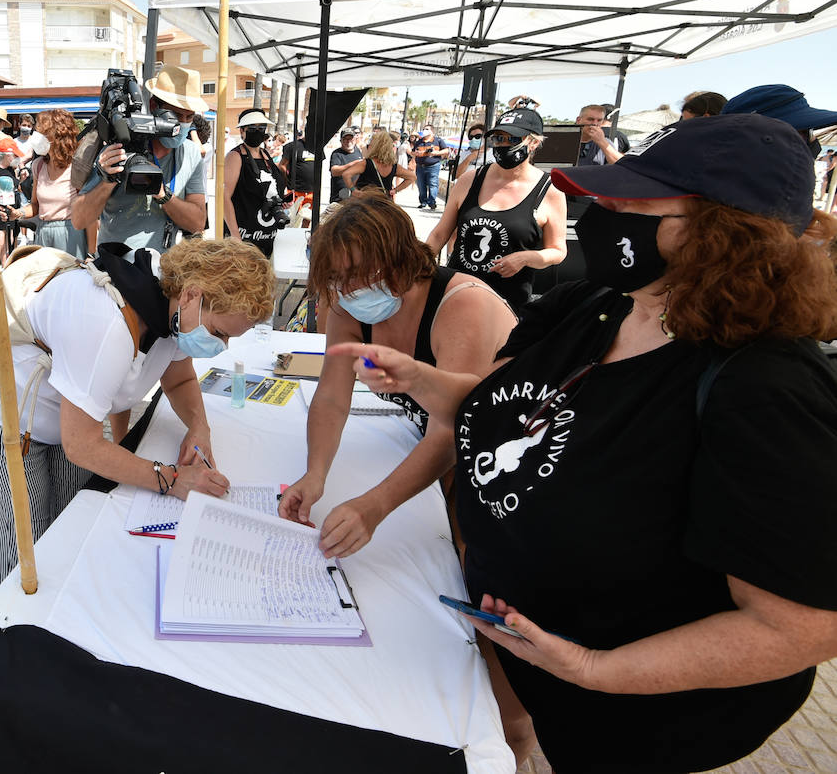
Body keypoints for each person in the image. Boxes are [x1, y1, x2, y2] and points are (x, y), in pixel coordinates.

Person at [346, 113, 837, 773]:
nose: (601, 210)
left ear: (724, 233)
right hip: (529, 657)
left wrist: (594, 668)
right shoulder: (593, 304)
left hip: (638, 712)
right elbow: (504, 408)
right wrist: (426, 381)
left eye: (633, 201)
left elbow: (803, 625)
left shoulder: (764, 386)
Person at [0, 237, 275, 594]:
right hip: (2, 411)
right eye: (219, 333)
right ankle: (1, 638)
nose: (221, 347)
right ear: (191, 295)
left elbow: (180, 377)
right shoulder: (107, 320)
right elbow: (84, 446)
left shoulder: (170, 306)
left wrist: (199, 426)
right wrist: (171, 479)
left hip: (68, 415)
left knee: (69, 526)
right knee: (19, 549)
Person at [278, 190, 516, 560]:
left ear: (399, 259)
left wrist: (375, 506)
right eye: (338, 278)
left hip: (504, 449)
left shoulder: (463, 305)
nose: (348, 290)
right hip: (445, 446)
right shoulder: (348, 304)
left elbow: (451, 429)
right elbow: (331, 396)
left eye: (359, 275)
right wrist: (315, 473)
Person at [425, 105, 567, 312]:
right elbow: (439, 234)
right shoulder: (470, 180)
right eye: (498, 138)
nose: (504, 145)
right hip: (457, 294)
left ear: (534, 143)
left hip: (507, 304)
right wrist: (418, 265)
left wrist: (525, 258)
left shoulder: (549, 191)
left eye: (513, 139)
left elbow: (557, 251)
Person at [71, 65, 208, 254]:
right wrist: (108, 180)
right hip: (116, 270)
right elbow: (79, 220)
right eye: (175, 115)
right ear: (153, 106)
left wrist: (162, 194)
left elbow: (197, 223)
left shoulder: (191, 154)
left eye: (189, 117)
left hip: (165, 270)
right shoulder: (120, 146)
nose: (182, 124)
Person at [11, 108, 90, 257]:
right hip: (42, 233)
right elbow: (35, 205)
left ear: (57, 136)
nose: (36, 138)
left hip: (71, 234)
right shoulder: (38, 165)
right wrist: (18, 213)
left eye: (42, 133)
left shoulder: (77, 167)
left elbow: (89, 212)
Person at [224, 108, 287, 256]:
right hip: (244, 240)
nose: (258, 131)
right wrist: (235, 236)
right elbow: (224, 197)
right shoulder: (235, 156)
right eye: (252, 128)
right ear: (242, 131)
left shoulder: (265, 154)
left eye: (261, 128)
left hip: (267, 237)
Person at [0, 137, 26, 263]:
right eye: (15, 155)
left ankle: (5, 269)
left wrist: (22, 180)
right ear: (7, 155)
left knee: (9, 243)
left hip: (10, 211)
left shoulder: (11, 170)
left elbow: (17, 188)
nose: (17, 158)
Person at [410, 127, 452, 210]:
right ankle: (423, 202)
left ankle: (432, 202)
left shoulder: (438, 141)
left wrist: (437, 153)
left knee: (433, 184)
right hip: (420, 166)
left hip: (433, 166)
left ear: (431, 131)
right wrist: (416, 153)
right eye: (424, 129)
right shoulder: (419, 142)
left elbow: (447, 150)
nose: (424, 130)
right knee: (421, 185)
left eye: (427, 129)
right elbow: (412, 152)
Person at [327, 127, 363, 202]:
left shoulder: (358, 152)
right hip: (339, 198)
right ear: (341, 141)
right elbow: (334, 171)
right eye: (345, 139)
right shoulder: (336, 154)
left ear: (355, 140)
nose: (348, 141)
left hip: (355, 198)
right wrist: (353, 164)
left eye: (351, 139)